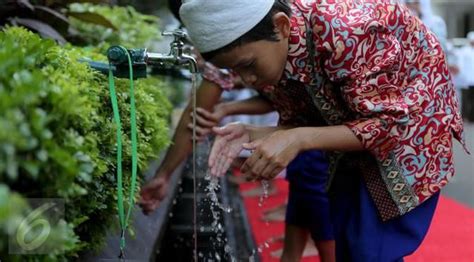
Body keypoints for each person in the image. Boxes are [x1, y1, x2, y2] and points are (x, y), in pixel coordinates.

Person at [179, 0, 467, 260]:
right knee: (346, 237)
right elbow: (309, 115)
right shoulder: (280, 45)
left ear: (280, 25)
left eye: (248, 65)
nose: (248, 80)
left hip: (410, 131)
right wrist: (257, 133)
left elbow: (388, 125)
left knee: (371, 249)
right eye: (236, 73)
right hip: (349, 136)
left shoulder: (348, 30)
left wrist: (297, 138)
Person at [141, 1, 336, 261]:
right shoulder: (225, 48)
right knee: (303, 184)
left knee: (322, 195)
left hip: (331, 131)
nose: (245, 80)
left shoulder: (274, 27)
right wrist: (164, 175)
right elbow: (198, 115)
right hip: (302, 127)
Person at [457, 31, 474, 122]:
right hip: (466, 79)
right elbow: (460, 65)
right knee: (466, 99)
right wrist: (461, 77)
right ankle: (464, 117)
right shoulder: (464, 50)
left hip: (473, 78)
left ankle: (472, 117)